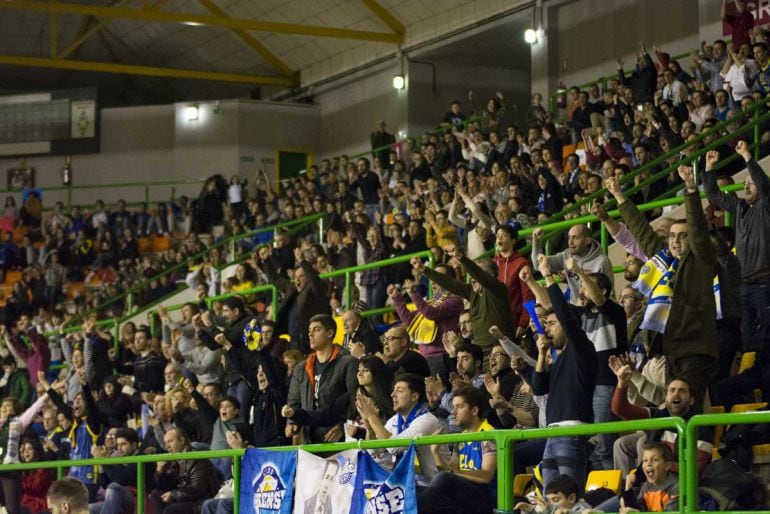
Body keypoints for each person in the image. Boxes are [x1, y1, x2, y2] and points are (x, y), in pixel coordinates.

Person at [606, 168, 718, 412]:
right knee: (671, 410)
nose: (676, 240)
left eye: (682, 236)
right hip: (670, 351)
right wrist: (618, 196)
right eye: (672, 236)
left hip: (695, 348)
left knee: (690, 412)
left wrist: (690, 191)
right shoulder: (663, 262)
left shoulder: (701, 261)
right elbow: (643, 233)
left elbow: (699, 230)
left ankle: (699, 449)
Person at [533, 256, 597, 491]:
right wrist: (541, 356)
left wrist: (547, 276)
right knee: (552, 500)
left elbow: (567, 317)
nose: (547, 328)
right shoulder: (559, 358)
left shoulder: (583, 349)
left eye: (551, 323)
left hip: (572, 432)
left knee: (569, 495)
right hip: (553, 433)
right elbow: (539, 388)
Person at [702, 144, 770, 349]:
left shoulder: (766, 206)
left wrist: (747, 156)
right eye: (744, 184)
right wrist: (709, 168)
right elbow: (713, 194)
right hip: (744, 286)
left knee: (765, 337)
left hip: (765, 284)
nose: (746, 187)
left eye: (751, 183)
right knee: (747, 337)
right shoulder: (740, 207)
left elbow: (765, 186)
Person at [414, 245, 514, 362]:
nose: (472, 278)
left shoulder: (498, 290)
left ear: (491, 277)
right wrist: (424, 269)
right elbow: (449, 283)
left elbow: (479, 275)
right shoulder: (472, 292)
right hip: (479, 354)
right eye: (471, 275)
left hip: (501, 353)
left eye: (475, 275)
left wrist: (460, 257)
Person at [416, 386, 497, 514]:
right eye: (453, 407)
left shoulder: (488, 434)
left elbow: (486, 476)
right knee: (416, 489)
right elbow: (450, 472)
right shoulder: (461, 437)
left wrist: (451, 473)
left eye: (459, 407)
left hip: (487, 499)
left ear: (474, 410)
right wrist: (435, 452)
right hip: (464, 496)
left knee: (442, 481)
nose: (453, 412)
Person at [285, 314, 357, 444]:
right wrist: (292, 422)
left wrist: (343, 426)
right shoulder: (301, 368)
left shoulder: (348, 362)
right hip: (309, 440)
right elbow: (294, 400)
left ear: (330, 333)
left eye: (316, 329)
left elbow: (355, 398)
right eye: (309, 331)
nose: (311, 334)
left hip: (338, 440)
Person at [390, 267, 463, 379]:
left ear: (449, 280)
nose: (433, 281)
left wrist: (414, 294)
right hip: (424, 357)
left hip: (442, 356)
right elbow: (409, 320)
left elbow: (432, 313)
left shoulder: (455, 300)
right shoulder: (430, 302)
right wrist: (397, 298)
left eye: (437, 277)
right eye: (431, 278)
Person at [531, 224, 614, 303]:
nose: (570, 242)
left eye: (575, 238)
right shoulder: (567, 255)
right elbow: (538, 265)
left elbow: (610, 294)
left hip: (596, 309)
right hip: (576, 308)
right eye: (569, 238)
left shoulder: (602, 261)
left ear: (587, 241)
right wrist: (536, 242)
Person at [149, 427, 221, 514]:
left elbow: (198, 489)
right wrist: (160, 472)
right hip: (186, 497)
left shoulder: (196, 459)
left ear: (182, 440)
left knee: (171, 510)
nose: (167, 446)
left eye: (170, 441)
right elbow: (167, 485)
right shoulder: (175, 459)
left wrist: (173, 494)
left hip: (200, 501)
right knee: (155, 494)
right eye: (165, 443)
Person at [89, 428, 145, 514]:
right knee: (90, 508)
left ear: (134, 445)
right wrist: (101, 463)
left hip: (138, 500)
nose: (119, 448)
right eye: (118, 444)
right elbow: (105, 485)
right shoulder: (120, 457)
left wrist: (105, 462)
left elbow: (121, 481)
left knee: (114, 487)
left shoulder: (140, 456)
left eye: (123, 444)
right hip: (119, 500)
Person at [493, 225, 534, 334]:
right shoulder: (492, 263)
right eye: (497, 236)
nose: (499, 238)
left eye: (504, 236)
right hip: (493, 323)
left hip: (514, 324)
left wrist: (523, 323)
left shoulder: (521, 263)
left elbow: (528, 295)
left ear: (513, 241)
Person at [620, 443, 679, 513]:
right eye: (645, 460)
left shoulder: (677, 487)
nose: (648, 464)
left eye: (655, 460)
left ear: (667, 466)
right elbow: (633, 509)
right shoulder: (646, 487)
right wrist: (628, 488)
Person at [515, 474, 593, 514]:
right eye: (549, 500)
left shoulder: (582, 509)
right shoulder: (554, 508)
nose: (552, 504)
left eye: (556, 500)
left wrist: (547, 511)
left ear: (571, 498)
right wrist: (531, 511)